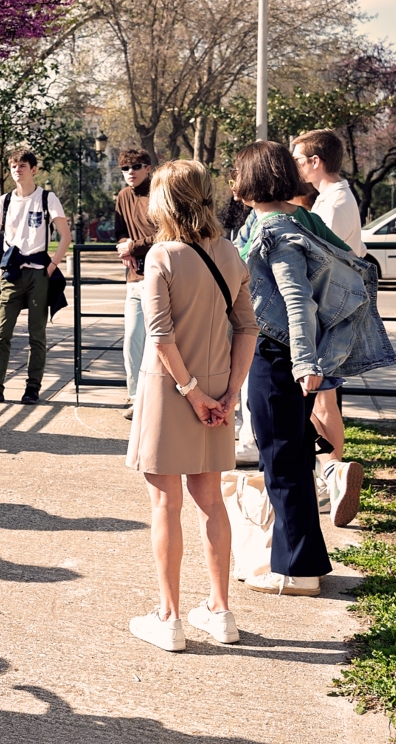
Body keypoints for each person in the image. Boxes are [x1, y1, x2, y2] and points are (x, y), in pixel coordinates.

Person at [234, 141, 395, 596]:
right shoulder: (301, 217)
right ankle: (305, 561)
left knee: (281, 462)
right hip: (290, 356)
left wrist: (305, 362)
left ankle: (298, 571)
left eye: (237, 173)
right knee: (294, 457)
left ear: (252, 179)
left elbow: (298, 301)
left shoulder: (276, 228)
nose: (232, 183)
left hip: (277, 356)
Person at [125, 161, 258, 651]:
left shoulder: (162, 255)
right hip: (220, 391)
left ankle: (170, 617)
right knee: (211, 502)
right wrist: (229, 393)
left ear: (165, 201)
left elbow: (158, 336)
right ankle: (221, 612)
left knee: (165, 503)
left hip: (170, 390)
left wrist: (192, 393)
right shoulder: (230, 253)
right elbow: (247, 327)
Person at [292, 129, 366, 526]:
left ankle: (333, 473)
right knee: (325, 400)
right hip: (332, 311)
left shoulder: (333, 203)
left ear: (315, 162)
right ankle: (333, 473)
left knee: (319, 399)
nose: (297, 165)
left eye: (300, 159)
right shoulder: (336, 198)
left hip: (326, 312)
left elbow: (318, 258)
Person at [0, 150, 72, 405]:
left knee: (36, 335)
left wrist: (51, 266)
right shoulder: (4, 201)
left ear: (34, 169)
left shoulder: (47, 198)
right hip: (11, 273)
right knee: (1, 333)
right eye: (14, 166)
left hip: (38, 273)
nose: (18, 169)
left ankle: (32, 388)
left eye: (23, 165)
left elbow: (65, 236)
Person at [113, 150, 156, 420]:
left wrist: (134, 246)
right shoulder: (122, 196)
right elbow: (119, 232)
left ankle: (156, 397)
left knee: (158, 340)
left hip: (159, 275)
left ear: (148, 168)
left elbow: (166, 232)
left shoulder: (159, 192)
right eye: (125, 168)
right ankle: (136, 396)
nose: (130, 171)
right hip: (134, 278)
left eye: (136, 166)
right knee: (132, 339)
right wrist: (123, 247)